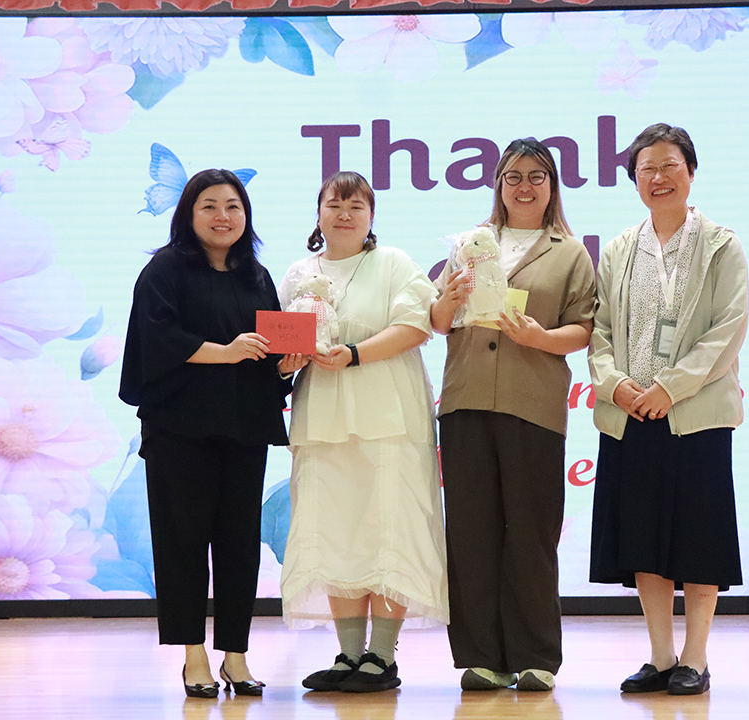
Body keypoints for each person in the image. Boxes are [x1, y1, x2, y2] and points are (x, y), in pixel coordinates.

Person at [119, 169, 298, 698]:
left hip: (243, 426)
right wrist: (224, 352)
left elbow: (268, 350)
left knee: (240, 545)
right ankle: (193, 654)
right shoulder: (165, 269)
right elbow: (156, 340)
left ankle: (235, 656)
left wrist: (286, 365)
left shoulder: (256, 276)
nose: (223, 217)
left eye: (233, 206)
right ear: (189, 214)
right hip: (180, 429)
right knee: (183, 543)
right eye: (210, 206)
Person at [588, 123, 749, 695]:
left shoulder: (722, 245)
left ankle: (695, 659)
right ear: (634, 180)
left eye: (669, 165)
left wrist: (669, 388)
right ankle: (660, 657)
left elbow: (728, 330)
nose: (658, 177)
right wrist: (615, 386)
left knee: (699, 539)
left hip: (695, 415)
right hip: (631, 415)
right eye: (646, 169)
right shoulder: (618, 249)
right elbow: (600, 330)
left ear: (691, 171)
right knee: (642, 540)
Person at [431, 138, 596, 692]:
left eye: (536, 177)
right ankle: (481, 656)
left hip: (533, 405)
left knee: (531, 532)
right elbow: (437, 321)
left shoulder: (570, 252)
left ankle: (535, 656)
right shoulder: (469, 245)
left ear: (552, 186)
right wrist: (450, 297)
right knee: (471, 533)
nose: (524, 187)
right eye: (513, 177)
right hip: (465, 401)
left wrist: (539, 337)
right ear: (499, 185)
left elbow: (584, 330)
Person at [278, 171, 448, 694]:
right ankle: (349, 653)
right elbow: (282, 345)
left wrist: (352, 354)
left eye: (357, 206)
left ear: (371, 216)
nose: (345, 214)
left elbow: (416, 326)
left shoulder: (393, 262)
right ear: (319, 213)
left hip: (388, 415)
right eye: (335, 204)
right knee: (335, 529)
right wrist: (287, 361)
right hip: (322, 417)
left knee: (387, 529)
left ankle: (382, 656)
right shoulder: (298, 272)